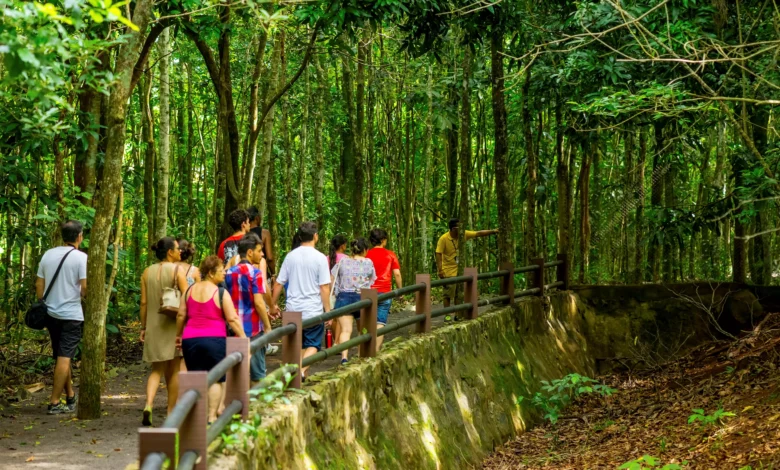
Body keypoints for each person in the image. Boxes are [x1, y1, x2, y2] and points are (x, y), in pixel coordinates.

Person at [176, 256, 246, 423]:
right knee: (217, 378)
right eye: (221, 271)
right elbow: (233, 319)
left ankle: (194, 420)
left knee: (195, 377)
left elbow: (181, 315)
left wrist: (178, 336)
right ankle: (211, 416)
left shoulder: (189, 290)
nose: (224, 274)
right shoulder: (220, 292)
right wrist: (243, 337)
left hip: (190, 339)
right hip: (214, 339)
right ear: (211, 273)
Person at [36, 220, 88, 414]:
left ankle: (70, 395)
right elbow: (84, 288)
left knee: (60, 356)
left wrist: (45, 302)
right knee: (65, 357)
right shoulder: (80, 258)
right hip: (71, 315)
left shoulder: (48, 254)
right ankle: (54, 402)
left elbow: (39, 286)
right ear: (79, 236)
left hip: (50, 313)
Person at [271, 222, 331, 379]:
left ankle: (298, 375)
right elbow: (324, 287)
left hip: (293, 310)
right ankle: (300, 370)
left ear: (299, 237)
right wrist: (328, 311)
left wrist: (272, 305)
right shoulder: (320, 258)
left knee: (298, 346)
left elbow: (278, 283)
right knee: (313, 345)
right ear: (315, 236)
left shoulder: (290, 256)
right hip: (312, 310)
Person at [140, 237, 189, 426]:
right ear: (170, 252)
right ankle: (170, 413)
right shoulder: (178, 270)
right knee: (175, 369)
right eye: (178, 249)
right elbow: (187, 297)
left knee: (156, 369)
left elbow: (143, 303)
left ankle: (148, 404)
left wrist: (143, 327)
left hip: (153, 324)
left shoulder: (146, 272)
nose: (180, 252)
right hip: (172, 324)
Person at [224, 234, 273, 385]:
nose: (263, 254)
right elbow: (259, 303)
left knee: (236, 372)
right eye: (260, 250)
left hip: (234, 328)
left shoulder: (229, 273)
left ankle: (238, 406)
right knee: (257, 374)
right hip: (253, 329)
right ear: (250, 252)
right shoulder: (255, 273)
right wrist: (267, 326)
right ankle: (255, 406)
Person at [435, 218, 498, 319]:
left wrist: (494, 231)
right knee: (447, 294)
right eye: (459, 227)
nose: (461, 229)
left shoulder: (463, 234)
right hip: (448, 270)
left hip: (459, 269)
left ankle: (456, 314)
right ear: (453, 228)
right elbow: (438, 253)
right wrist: (440, 269)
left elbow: (477, 233)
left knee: (457, 294)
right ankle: (447, 315)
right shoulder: (443, 238)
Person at [333, 238, 376, 365]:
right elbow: (372, 279)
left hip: (344, 297)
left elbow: (334, 277)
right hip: (362, 297)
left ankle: (344, 358)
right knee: (362, 330)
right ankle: (359, 355)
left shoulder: (342, 261)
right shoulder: (368, 262)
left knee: (346, 330)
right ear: (365, 250)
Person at [365, 228, 402, 350]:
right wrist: (399, 290)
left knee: (368, 322)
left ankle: (366, 350)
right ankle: (375, 350)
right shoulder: (390, 254)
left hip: (368, 292)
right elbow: (397, 274)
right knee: (380, 322)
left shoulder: (366, 254)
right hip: (385, 292)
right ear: (382, 240)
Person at [328, 234, 348, 344]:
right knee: (340, 318)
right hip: (340, 291)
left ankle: (335, 341)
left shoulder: (327, 258)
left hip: (328, 291)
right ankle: (338, 342)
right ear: (342, 245)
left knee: (333, 318)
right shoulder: (346, 258)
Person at [247, 206, 275, 277]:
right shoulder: (264, 233)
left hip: (246, 273)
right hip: (261, 272)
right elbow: (269, 258)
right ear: (257, 218)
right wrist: (273, 274)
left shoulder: (243, 233)